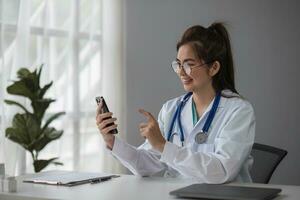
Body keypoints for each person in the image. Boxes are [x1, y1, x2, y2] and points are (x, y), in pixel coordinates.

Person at [96, 22, 255, 183]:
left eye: (189, 65)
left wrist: (163, 146)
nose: (181, 72)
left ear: (213, 68)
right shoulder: (171, 109)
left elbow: (222, 171)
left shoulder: (238, 110)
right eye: (178, 64)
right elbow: (147, 166)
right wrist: (111, 141)